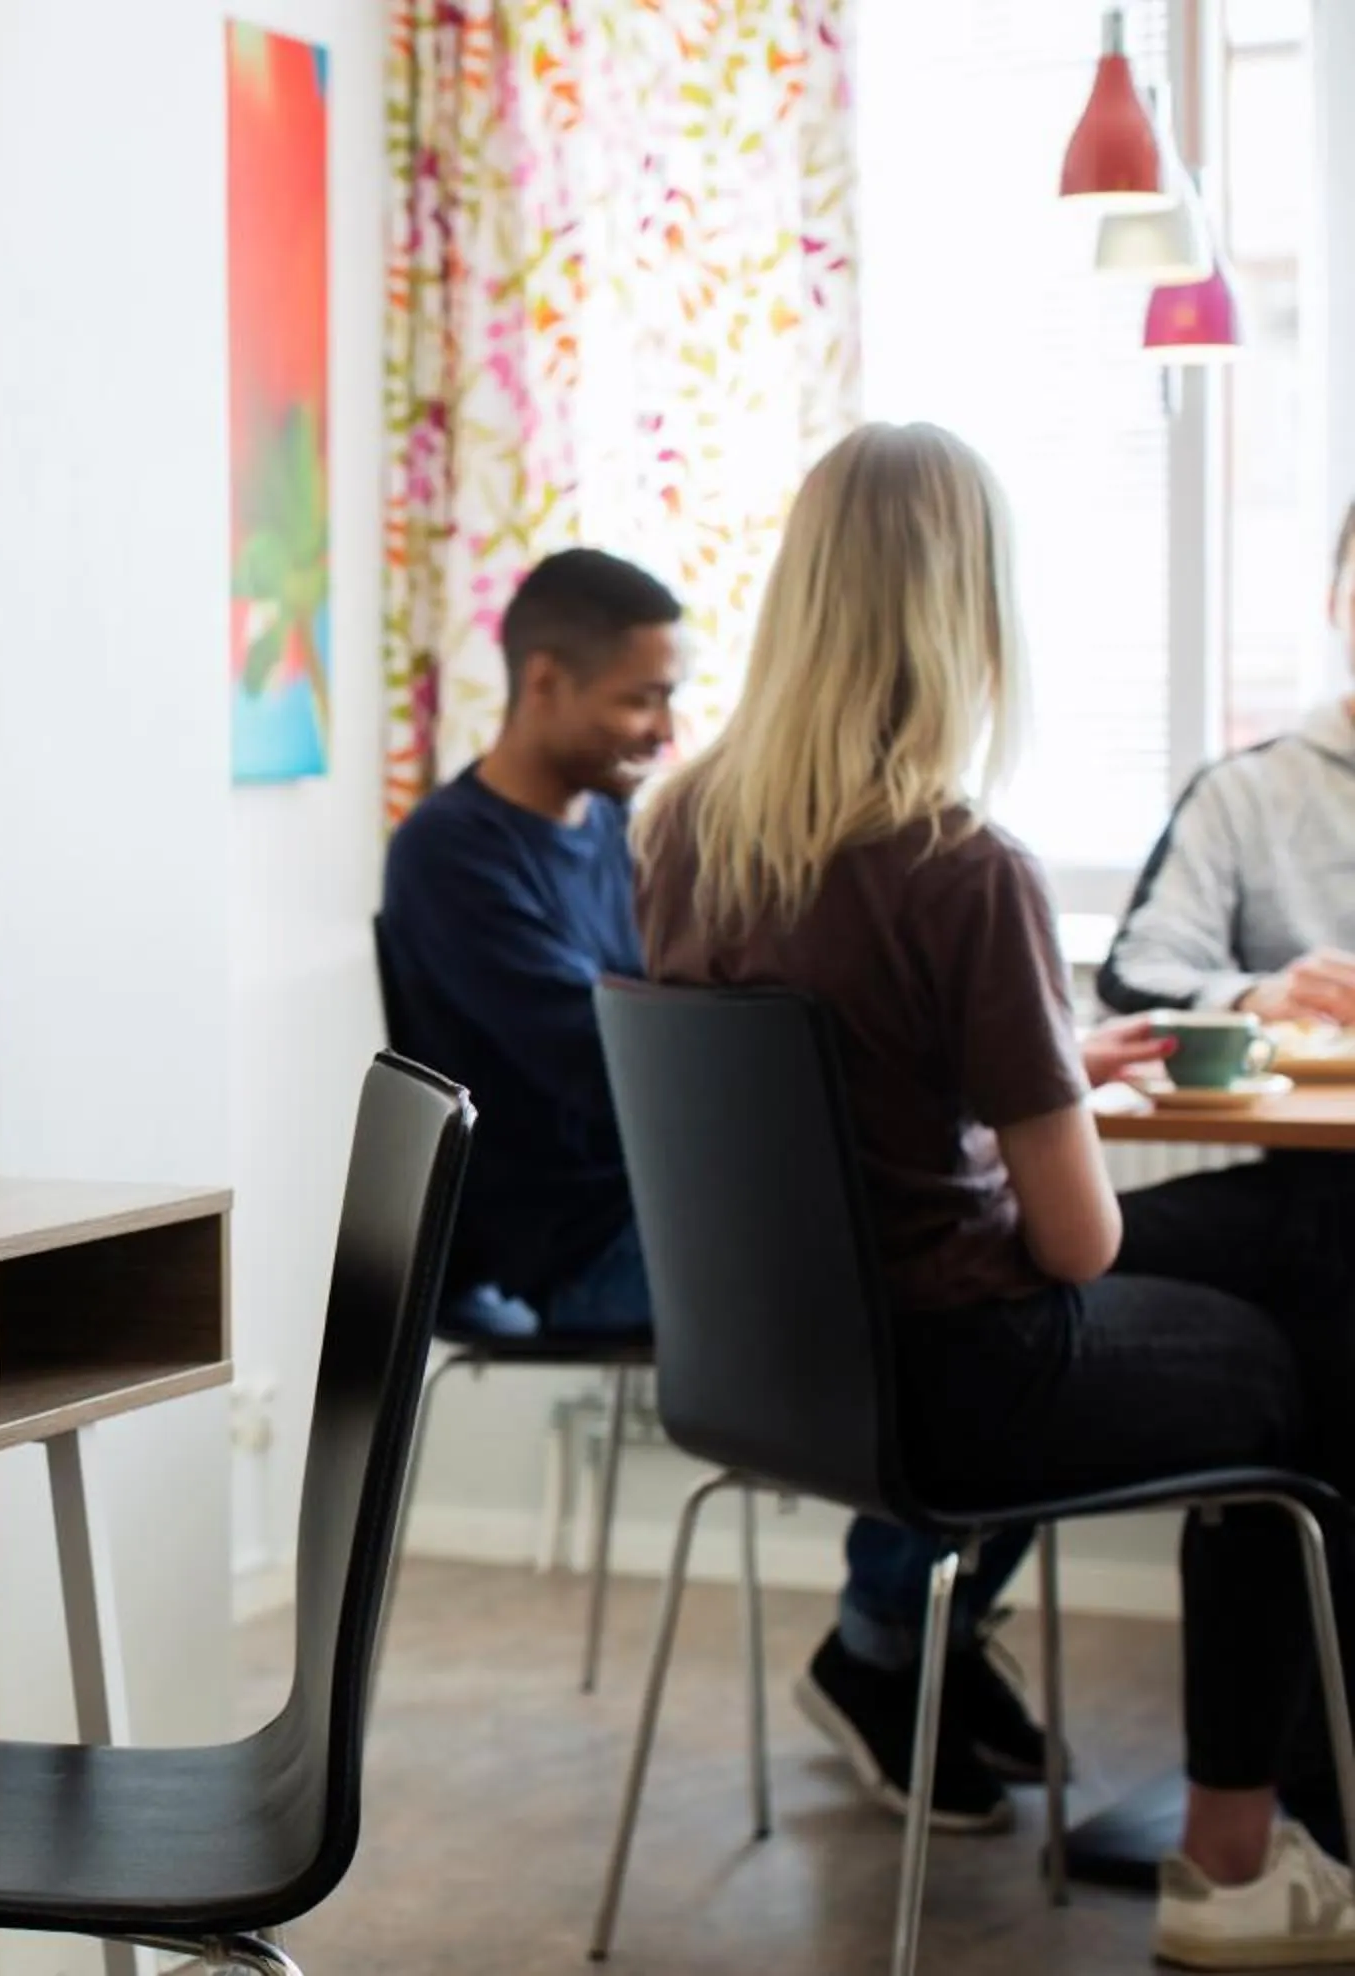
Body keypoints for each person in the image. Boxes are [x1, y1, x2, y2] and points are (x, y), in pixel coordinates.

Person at [635, 420, 1355, 1970]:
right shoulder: (962, 866)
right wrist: (1034, 1092)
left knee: (1289, 1254)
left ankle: (949, 1671)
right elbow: (1076, 1240)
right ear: (970, 614)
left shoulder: (682, 834)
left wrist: (1029, 1063)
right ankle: (1241, 1864)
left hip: (776, 1378)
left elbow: (842, 1094)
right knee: (1296, 1354)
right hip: (968, 1379)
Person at [380, 547, 1048, 1836]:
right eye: (640, 699)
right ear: (543, 678)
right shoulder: (450, 854)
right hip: (561, 1251)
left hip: (674, 1205)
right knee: (928, 1286)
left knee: (981, 1262)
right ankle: (891, 1640)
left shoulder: (628, 834)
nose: (666, 730)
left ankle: (915, 1640)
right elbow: (613, 1064)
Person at [1099, 498, 1355, 1021]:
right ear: (1333, 604)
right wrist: (1255, 997)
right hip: (1292, 1102)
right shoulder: (1241, 792)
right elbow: (1138, 972)